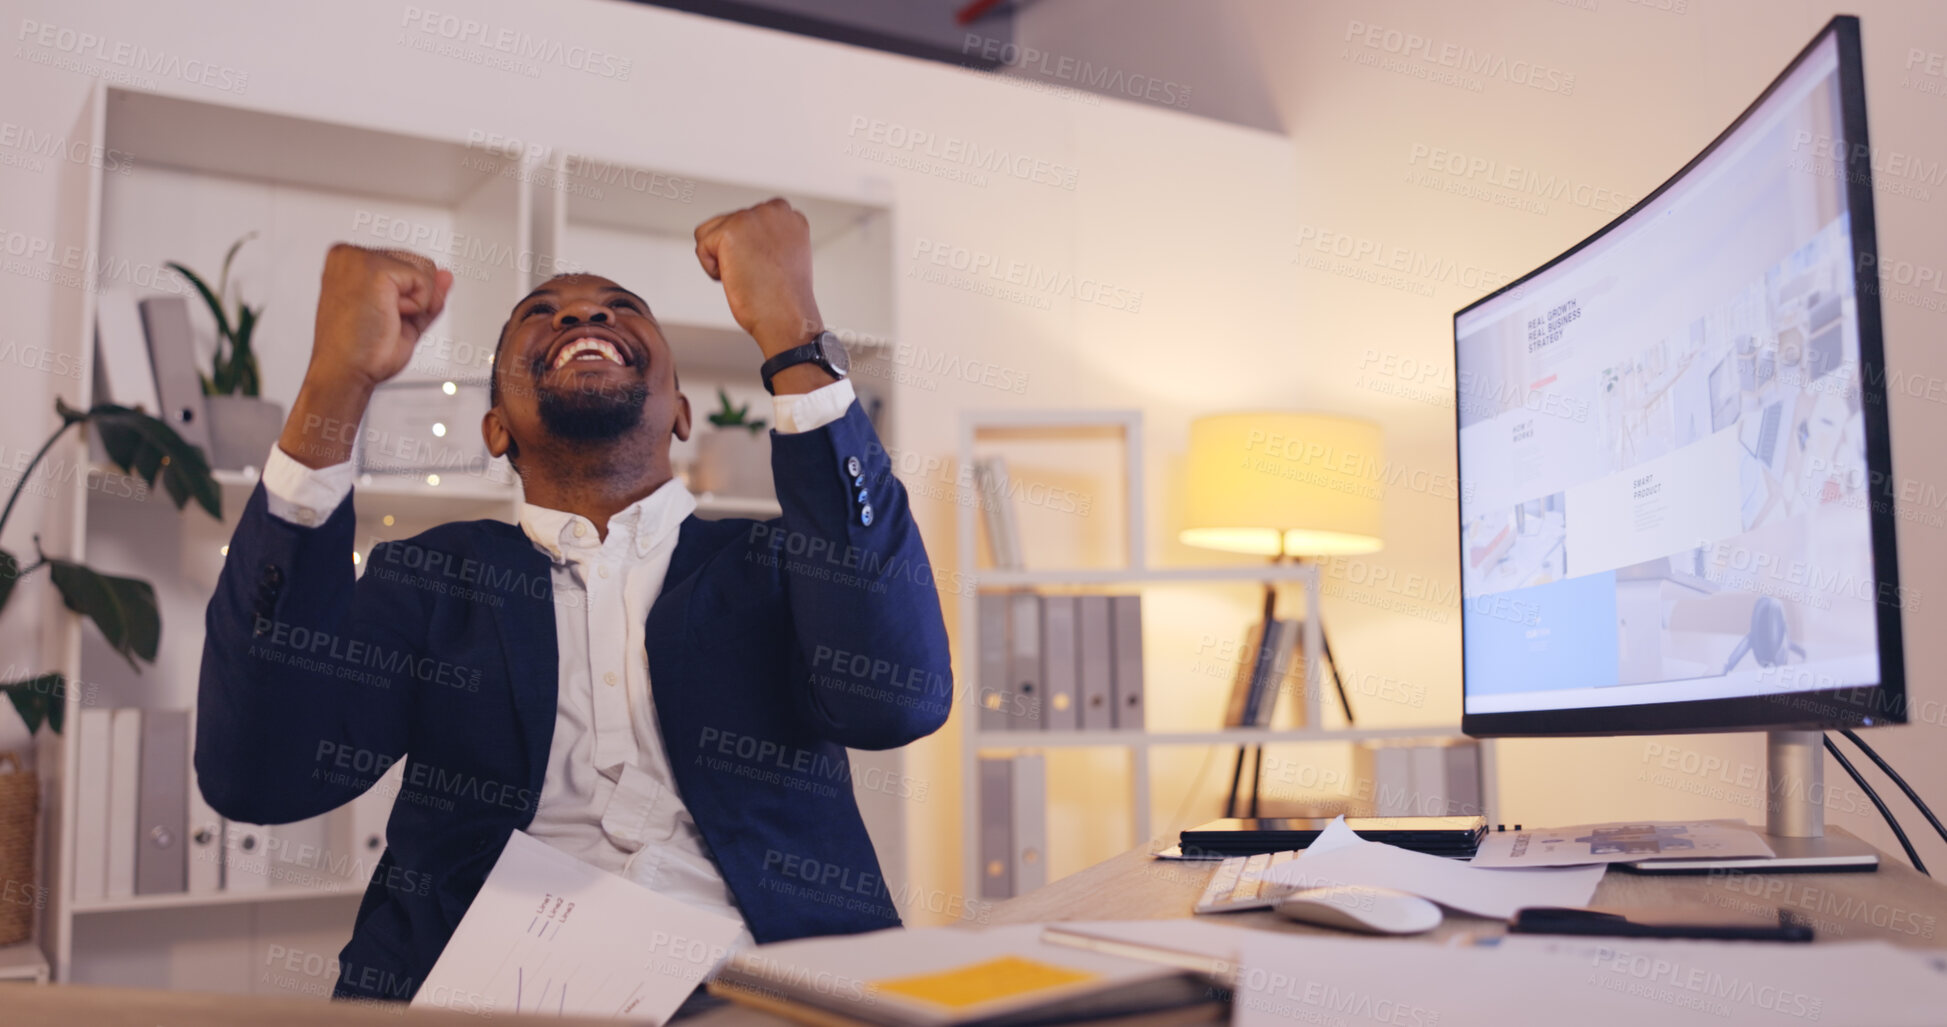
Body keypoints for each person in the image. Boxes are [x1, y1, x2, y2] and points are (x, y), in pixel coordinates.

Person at [196, 198, 952, 1003]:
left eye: (619, 309)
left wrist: (793, 335)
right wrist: (335, 382)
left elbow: (893, 698)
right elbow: (260, 778)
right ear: (495, 430)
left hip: (761, 988)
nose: (585, 314)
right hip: (486, 993)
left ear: (682, 415)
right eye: (542, 315)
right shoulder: (428, 576)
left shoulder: (775, 563)